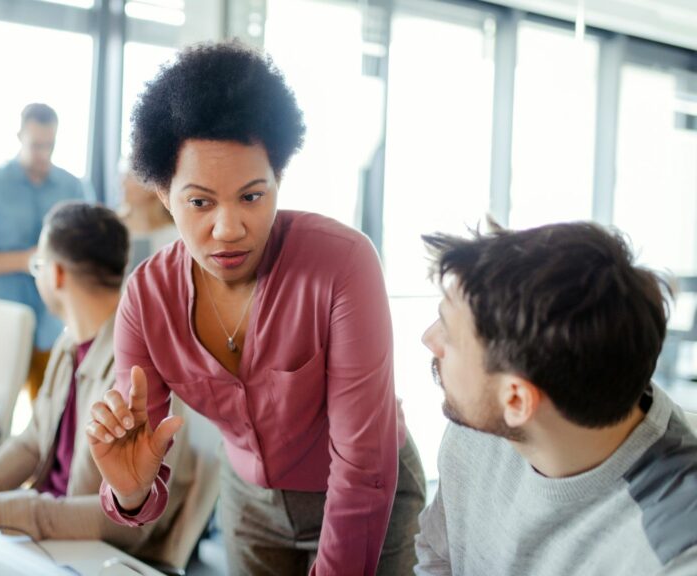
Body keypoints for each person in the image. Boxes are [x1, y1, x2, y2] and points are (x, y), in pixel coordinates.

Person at [84, 41, 425, 575]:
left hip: (369, 494)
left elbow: (362, 467)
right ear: (164, 193)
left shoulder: (343, 264)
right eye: (200, 202)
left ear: (278, 180)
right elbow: (138, 479)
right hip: (249, 505)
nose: (228, 229)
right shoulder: (146, 300)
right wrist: (129, 491)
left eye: (251, 196)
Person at [0, 202, 196, 562]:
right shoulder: (69, 344)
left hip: (96, 555)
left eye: (37, 265)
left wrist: (2, 512)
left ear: (55, 274)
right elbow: (32, 442)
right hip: (52, 537)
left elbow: (130, 522)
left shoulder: (138, 368)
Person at [415, 221, 697, 575]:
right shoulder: (483, 423)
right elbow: (438, 557)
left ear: (516, 401)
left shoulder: (673, 551)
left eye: (449, 334)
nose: (429, 339)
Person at [0, 103, 88, 398]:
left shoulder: (73, 187)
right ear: (20, 136)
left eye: (49, 145)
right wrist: (26, 260)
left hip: (53, 325)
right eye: (36, 145)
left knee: (53, 412)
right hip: (1, 320)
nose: (43, 153)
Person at [117, 161, 178, 272]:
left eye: (130, 177)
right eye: (124, 176)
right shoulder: (113, 227)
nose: (123, 183)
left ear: (154, 186)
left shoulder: (173, 236)